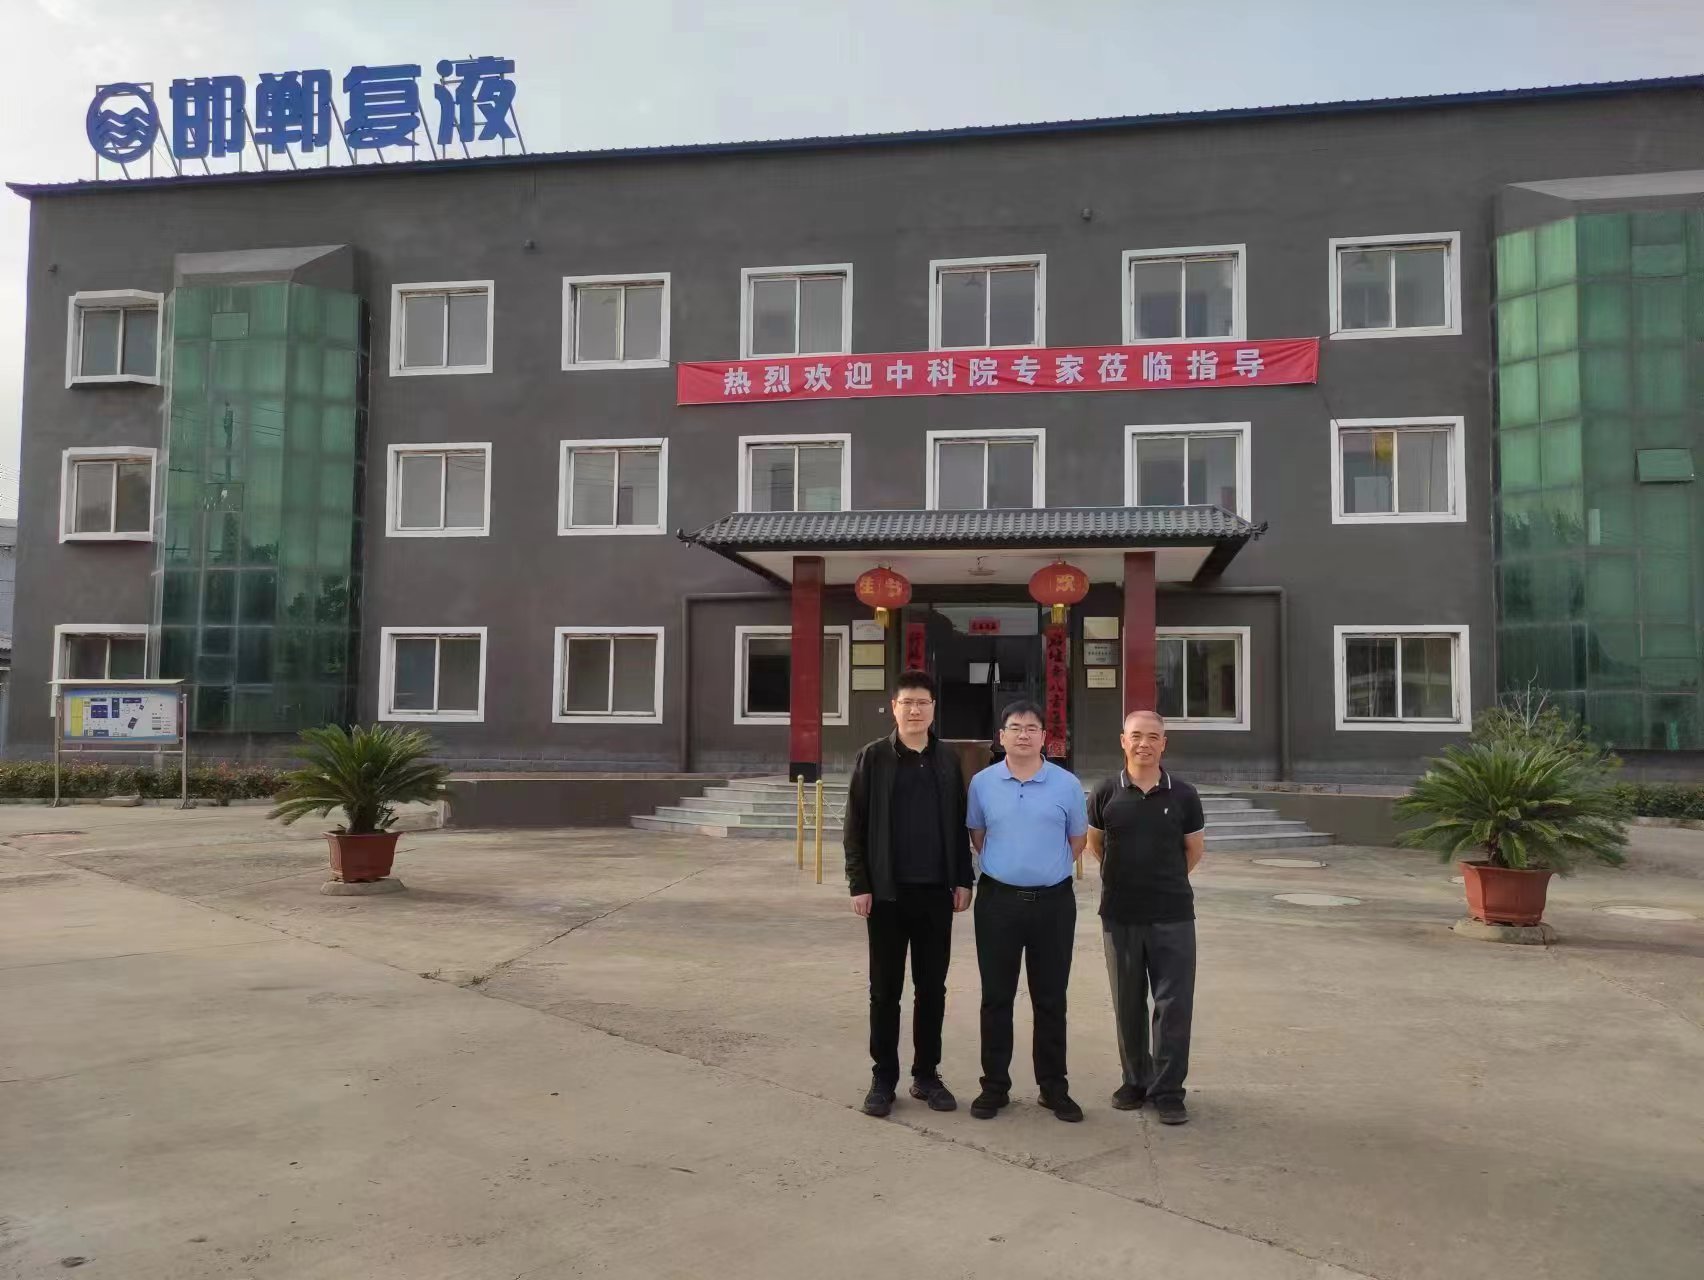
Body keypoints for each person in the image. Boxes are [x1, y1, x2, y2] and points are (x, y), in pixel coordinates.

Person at [844, 669, 974, 1118]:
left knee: (931, 989)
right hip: (886, 895)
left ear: (934, 709)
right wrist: (859, 883)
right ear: (894, 708)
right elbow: (855, 827)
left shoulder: (947, 759)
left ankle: (926, 1075)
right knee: (885, 991)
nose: (915, 710)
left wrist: (963, 878)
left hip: (936, 893)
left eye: (923, 703)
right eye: (907, 703)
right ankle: (883, 1077)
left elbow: (959, 823)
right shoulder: (873, 757)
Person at [965, 700, 1089, 1122]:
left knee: (1051, 999)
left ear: (1044, 737)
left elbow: (1077, 841)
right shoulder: (982, 784)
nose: (1023, 734)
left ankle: (1054, 1088)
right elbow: (979, 836)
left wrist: (1042, 870)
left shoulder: (1066, 784)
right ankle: (994, 1087)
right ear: (1001, 736)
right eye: (1015, 727)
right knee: (996, 998)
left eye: (1032, 728)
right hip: (997, 904)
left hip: (1053, 904)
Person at [1086, 709, 1205, 1126]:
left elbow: (1193, 851)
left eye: (1153, 736)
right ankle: (1135, 1081)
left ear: (1164, 743)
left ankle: (1168, 1090)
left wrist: (1162, 881)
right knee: (1128, 1002)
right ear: (1123, 741)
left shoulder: (1184, 795)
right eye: (1136, 735)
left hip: (1173, 915)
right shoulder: (1105, 792)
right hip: (1120, 916)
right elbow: (1097, 845)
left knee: (1174, 1005)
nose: (1144, 744)